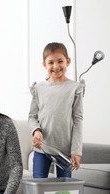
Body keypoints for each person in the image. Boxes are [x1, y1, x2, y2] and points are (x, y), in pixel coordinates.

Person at [28, 42, 85, 178]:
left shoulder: (74, 88)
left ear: (68, 61)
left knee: (64, 193)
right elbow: (32, 116)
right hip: (42, 149)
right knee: (38, 188)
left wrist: (76, 151)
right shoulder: (39, 88)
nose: (56, 66)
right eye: (51, 63)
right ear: (44, 65)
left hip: (65, 151)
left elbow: (78, 119)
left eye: (60, 61)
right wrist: (36, 130)